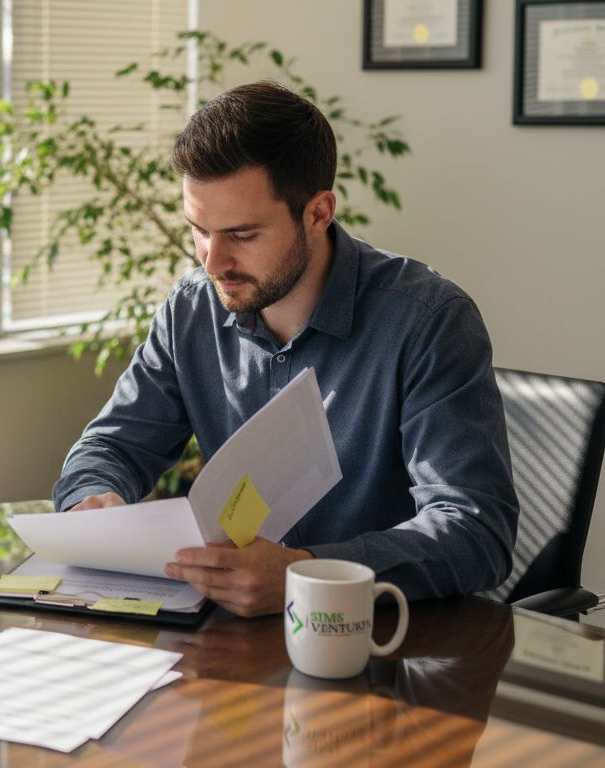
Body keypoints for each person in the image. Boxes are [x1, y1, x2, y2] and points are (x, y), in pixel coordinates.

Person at [53, 81, 518, 617]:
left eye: (242, 235)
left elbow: (475, 530)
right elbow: (110, 447)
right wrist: (94, 500)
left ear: (318, 213)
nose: (212, 261)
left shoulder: (428, 321)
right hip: (231, 637)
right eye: (199, 230)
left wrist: (308, 572)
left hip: (386, 638)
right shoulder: (192, 308)